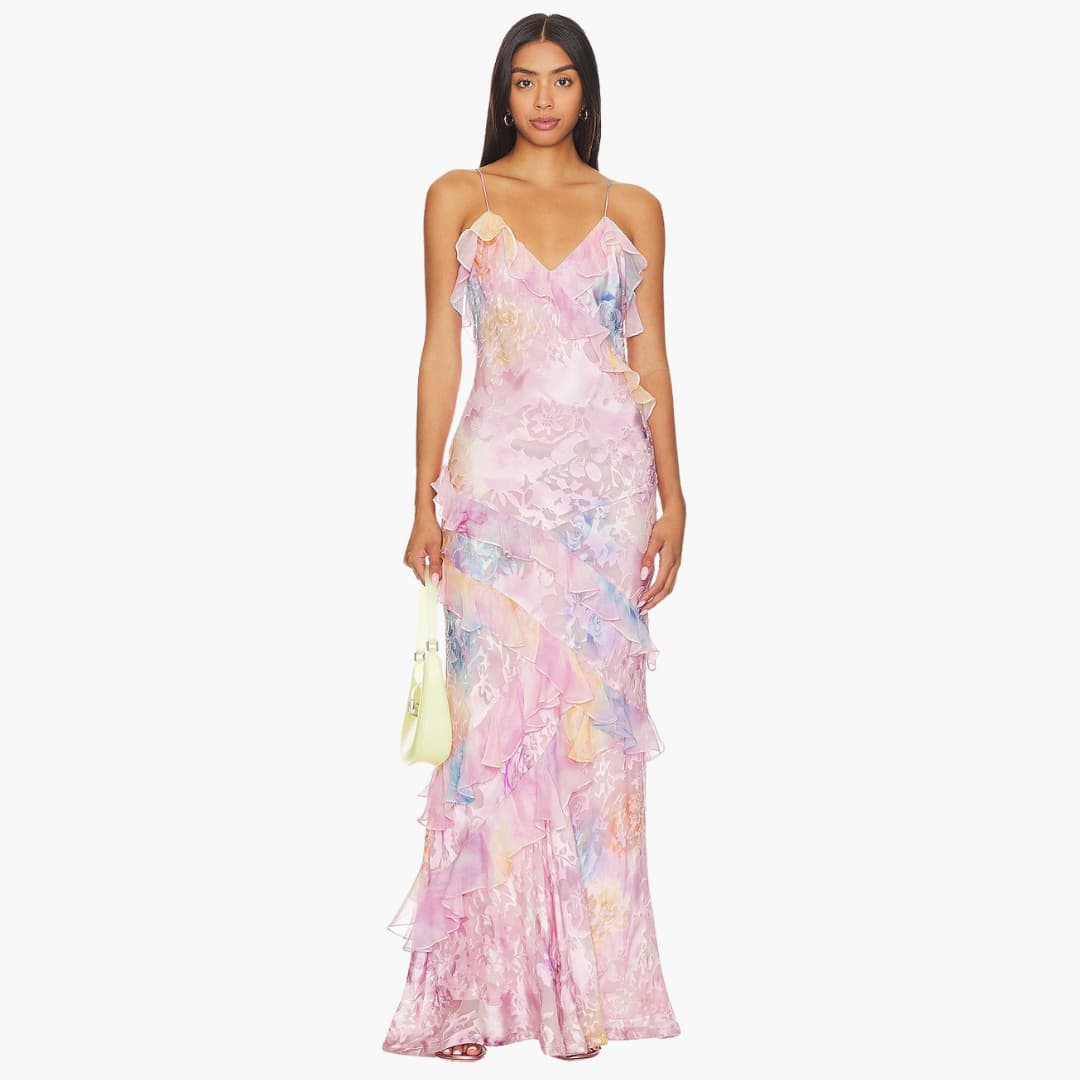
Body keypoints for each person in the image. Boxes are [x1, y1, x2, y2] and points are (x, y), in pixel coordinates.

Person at [383, 13, 686, 1061]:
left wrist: (676, 497)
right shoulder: (458, 197)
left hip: (606, 503)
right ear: (502, 93)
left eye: (561, 80)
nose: (544, 99)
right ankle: (471, 998)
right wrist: (422, 497)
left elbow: (651, 362)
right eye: (525, 80)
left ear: (586, 92)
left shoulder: (632, 209)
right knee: (487, 741)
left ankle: (587, 997)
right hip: (495, 496)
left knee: (592, 744)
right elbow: (440, 348)